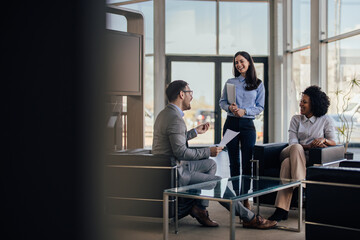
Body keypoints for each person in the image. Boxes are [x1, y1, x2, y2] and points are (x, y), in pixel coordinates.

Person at [153, 80, 277, 229]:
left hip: (171, 167)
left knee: (210, 164)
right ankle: (249, 217)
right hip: (176, 172)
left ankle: (200, 208)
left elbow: (173, 141)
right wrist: (208, 151)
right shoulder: (175, 119)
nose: (192, 96)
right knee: (218, 182)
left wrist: (194, 132)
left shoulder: (166, 113)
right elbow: (181, 152)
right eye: (190, 92)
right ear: (181, 94)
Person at [268, 85, 336, 221]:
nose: (301, 104)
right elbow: (292, 143)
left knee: (287, 165)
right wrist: (309, 146)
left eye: (304, 102)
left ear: (313, 104)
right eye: (301, 101)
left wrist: (324, 140)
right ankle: (301, 184)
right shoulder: (296, 119)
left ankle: (281, 210)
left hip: (304, 159)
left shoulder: (325, 120)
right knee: (296, 148)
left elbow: (334, 142)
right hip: (290, 152)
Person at [219, 51, 265, 209]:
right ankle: (237, 196)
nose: (238, 65)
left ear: (249, 62)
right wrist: (230, 108)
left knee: (247, 163)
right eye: (236, 62)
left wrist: (244, 111)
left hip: (247, 126)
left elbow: (260, 107)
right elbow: (222, 102)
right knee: (233, 162)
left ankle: (246, 196)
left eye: (241, 61)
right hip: (231, 123)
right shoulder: (230, 82)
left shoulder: (258, 84)